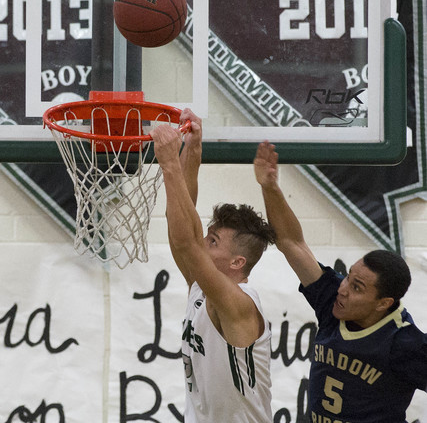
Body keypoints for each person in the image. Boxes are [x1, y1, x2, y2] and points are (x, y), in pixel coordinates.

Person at [254, 140, 427, 423]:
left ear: (384, 303)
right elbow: (290, 242)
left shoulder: (404, 343)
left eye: (357, 287)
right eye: (348, 276)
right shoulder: (333, 300)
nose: (344, 289)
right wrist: (269, 187)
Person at [151, 110, 276, 423]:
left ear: (237, 263)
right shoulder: (202, 286)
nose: (205, 243)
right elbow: (183, 221)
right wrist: (191, 152)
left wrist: (169, 164)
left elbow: (186, 242)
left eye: (214, 242)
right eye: (208, 237)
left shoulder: (237, 304)